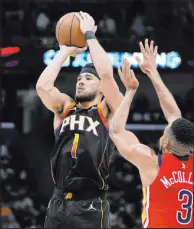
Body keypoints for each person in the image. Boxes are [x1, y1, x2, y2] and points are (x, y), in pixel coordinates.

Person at [36, 12, 124, 228]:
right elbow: (42, 87)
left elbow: (106, 74)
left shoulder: (108, 110)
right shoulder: (65, 107)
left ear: (101, 88)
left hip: (91, 204)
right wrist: (64, 51)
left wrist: (89, 35)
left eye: (88, 78)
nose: (81, 82)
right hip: (58, 201)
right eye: (79, 78)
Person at [109, 39, 193, 228]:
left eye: (163, 133)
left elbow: (116, 131)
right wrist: (153, 73)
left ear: (165, 144)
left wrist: (130, 91)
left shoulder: (152, 162)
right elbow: (174, 115)